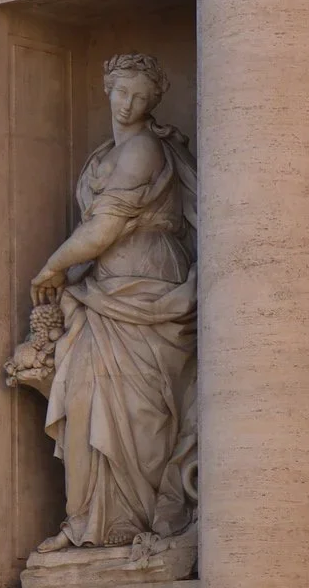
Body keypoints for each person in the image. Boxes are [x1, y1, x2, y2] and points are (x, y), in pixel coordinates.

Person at [21, 52, 198, 555]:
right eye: (122, 92)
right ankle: (89, 520)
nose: (129, 104)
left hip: (145, 286)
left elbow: (104, 228)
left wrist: (53, 266)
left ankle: (134, 521)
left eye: (140, 97)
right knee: (84, 399)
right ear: (106, 88)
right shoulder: (104, 153)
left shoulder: (143, 150)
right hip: (103, 293)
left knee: (141, 413)